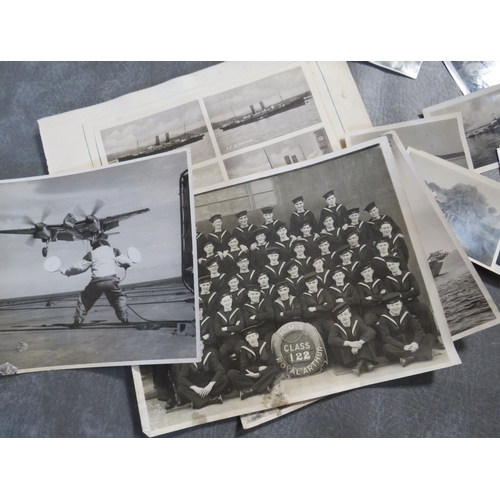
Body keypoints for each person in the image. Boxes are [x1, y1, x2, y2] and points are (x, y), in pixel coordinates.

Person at [60, 237, 131, 327]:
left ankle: (78, 321)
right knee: (119, 297)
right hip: (112, 280)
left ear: (95, 245)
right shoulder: (113, 250)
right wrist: (127, 264)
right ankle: (124, 319)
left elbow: (78, 268)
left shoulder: (91, 254)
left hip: (97, 281)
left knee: (84, 299)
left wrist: (66, 271)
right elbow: (127, 262)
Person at [378, 292, 435, 367]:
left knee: (429, 336)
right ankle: (420, 355)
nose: (395, 307)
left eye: (397, 304)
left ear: (401, 304)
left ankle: (409, 358)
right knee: (386, 348)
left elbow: (418, 330)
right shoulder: (383, 319)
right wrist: (403, 347)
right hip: (398, 347)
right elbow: (386, 337)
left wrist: (415, 343)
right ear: (388, 306)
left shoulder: (407, 314)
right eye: (392, 305)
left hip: (411, 343)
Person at [227, 327, 281, 400]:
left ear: (257, 336)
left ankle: (252, 390)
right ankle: (263, 386)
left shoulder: (265, 346)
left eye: (253, 336)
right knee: (231, 373)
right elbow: (243, 368)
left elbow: (272, 364)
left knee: (275, 369)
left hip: (264, 375)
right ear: (246, 339)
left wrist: (259, 374)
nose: (252, 339)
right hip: (251, 376)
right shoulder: (244, 349)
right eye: (249, 337)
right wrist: (257, 369)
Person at [328, 302, 377, 376]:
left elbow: (371, 331)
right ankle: (365, 362)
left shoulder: (357, 322)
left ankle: (358, 366)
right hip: (348, 357)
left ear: (350, 314)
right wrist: (350, 344)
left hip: (358, 350)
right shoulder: (335, 327)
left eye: (345, 314)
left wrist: (359, 343)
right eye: (341, 315)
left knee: (367, 339)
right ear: (338, 317)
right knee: (339, 343)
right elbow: (331, 340)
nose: (344, 317)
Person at [176, 342, 229, 409]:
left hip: (210, 386)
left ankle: (198, 401)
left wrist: (210, 385)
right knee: (180, 389)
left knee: (225, 378)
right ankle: (211, 400)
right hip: (197, 388)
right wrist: (195, 388)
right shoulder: (188, 360)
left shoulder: (209, 355)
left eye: (199, 345)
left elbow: (221, 370)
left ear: (203, 346)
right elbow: (181, 378)